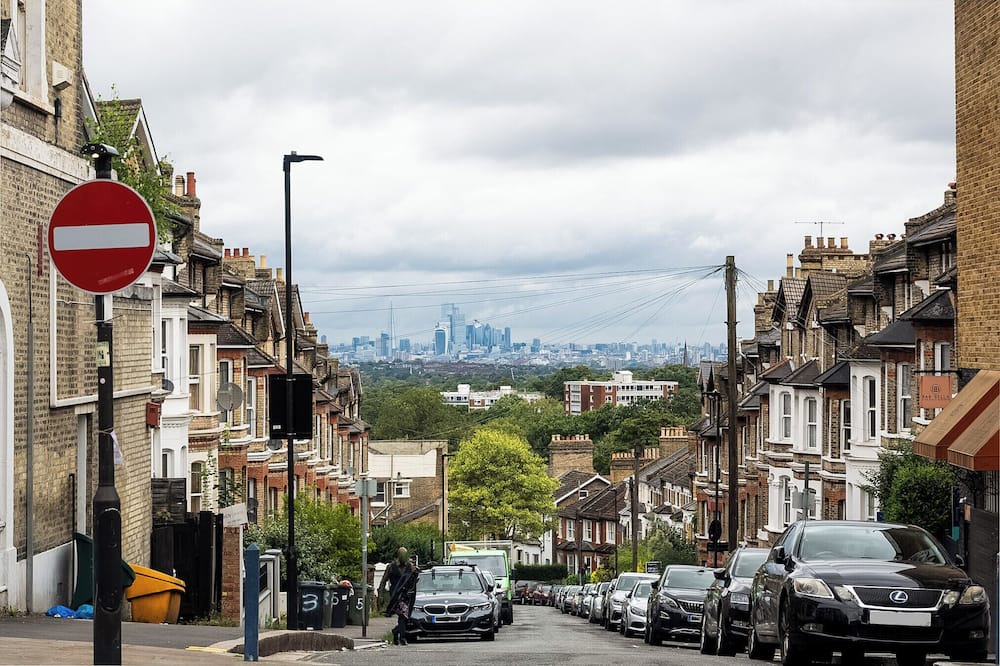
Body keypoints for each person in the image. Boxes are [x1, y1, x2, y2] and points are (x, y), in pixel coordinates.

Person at [384, 547, 418, 646]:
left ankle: (396, 632)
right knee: (402, 616)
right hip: (396, 595)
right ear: (398, 555)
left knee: (404, 617)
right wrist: (381, 595)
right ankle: (402, 638)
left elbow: (414, 581)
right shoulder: (391, 566)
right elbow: (384, 581)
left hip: (407, 595)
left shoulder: (410, 567)